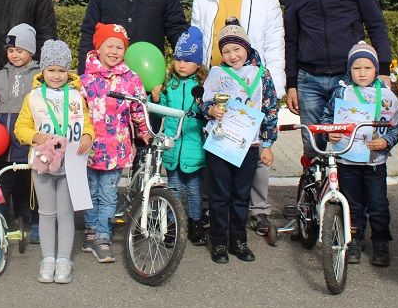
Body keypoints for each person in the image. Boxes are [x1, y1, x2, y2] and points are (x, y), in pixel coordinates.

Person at [191, 0, 284, 236]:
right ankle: (214, 209)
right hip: (218, 83)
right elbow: (199, 38)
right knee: (217, 145)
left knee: (253, 153)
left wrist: (275, 87)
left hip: (252, 83)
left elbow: (274, 42)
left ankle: (257, 210)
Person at [283, 0, 392, 155]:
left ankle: (347, 191)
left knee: (352, 147)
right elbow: (291, 39)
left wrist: (383, 69)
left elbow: (376, 24)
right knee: (313, 150)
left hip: (349, 78)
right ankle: (312, 190)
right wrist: (291, 83)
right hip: (309, 80)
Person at [13, 40, 94, 284]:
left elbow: (87, 123)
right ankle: (48, 258)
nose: (56, 76)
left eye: (61, 70)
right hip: (43, 163)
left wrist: (89, 136)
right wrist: (37, 137)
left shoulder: (78, 97)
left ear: (68, 72)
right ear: (43, 71)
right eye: (51, 70)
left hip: (71, 164)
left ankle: (63, 260)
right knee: (47, 213)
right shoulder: (33, 97)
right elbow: (21, 128)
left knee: (66, 214)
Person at [320, 42, 398, 267]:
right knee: (352, 203)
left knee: (378, 204)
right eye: (357, 68)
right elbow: (327, 117)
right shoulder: (341, 92)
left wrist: (386, 141)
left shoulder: (387, 95)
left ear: (376, 70)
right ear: (349, 70)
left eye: (368, 68)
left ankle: (381, 242)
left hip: (374, 162)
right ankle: (354, 240)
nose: (362, 73)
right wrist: (330, 133)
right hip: (347, 159)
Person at [201, 19, 279, 264]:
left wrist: (267, 144)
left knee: (241, 195)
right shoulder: (216, 74)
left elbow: (271, 109)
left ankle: (238, 240)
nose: (232, 55)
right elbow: (202, 104)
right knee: (219, 194)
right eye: (226, 51)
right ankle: (219, 242)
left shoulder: (261, 74)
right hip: (220, 143)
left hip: (250, 145)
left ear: (246, 47)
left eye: (237, 49)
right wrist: (210, 110)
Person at [79, 23, 149, 262]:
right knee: (89, 192)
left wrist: (143, 131)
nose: (114, 51)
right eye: (109, 45)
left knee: (108, 195)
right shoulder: (85, 80)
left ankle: (103, 236)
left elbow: (139, 109)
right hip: (88, 148)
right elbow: (77, 112)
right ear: (98, 48)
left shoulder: (131, 79)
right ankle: (90, 230)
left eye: (119, 46)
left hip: (116, 149)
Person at [152, 26, 209, 246]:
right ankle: (171, 225)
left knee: (194, 190)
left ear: (198, 62)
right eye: (178, 59)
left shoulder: (203, 86)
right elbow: (162, 108)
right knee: (173, 188)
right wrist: (157, 99)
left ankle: (195, 224)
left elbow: (208, 113)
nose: (181, 64)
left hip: (194, 147)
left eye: (187, 60)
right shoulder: (170, 84)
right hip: (172, 146)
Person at [0, 23, 41, 230]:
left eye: (19, 50)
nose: (14, 55)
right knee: (4, 175)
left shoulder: (38, 76)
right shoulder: (0, 76)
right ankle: (2, 214)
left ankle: (28, 213)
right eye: (10, 50)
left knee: (26, 175)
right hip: (2, 135)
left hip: (26, 133)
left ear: (30, 51)